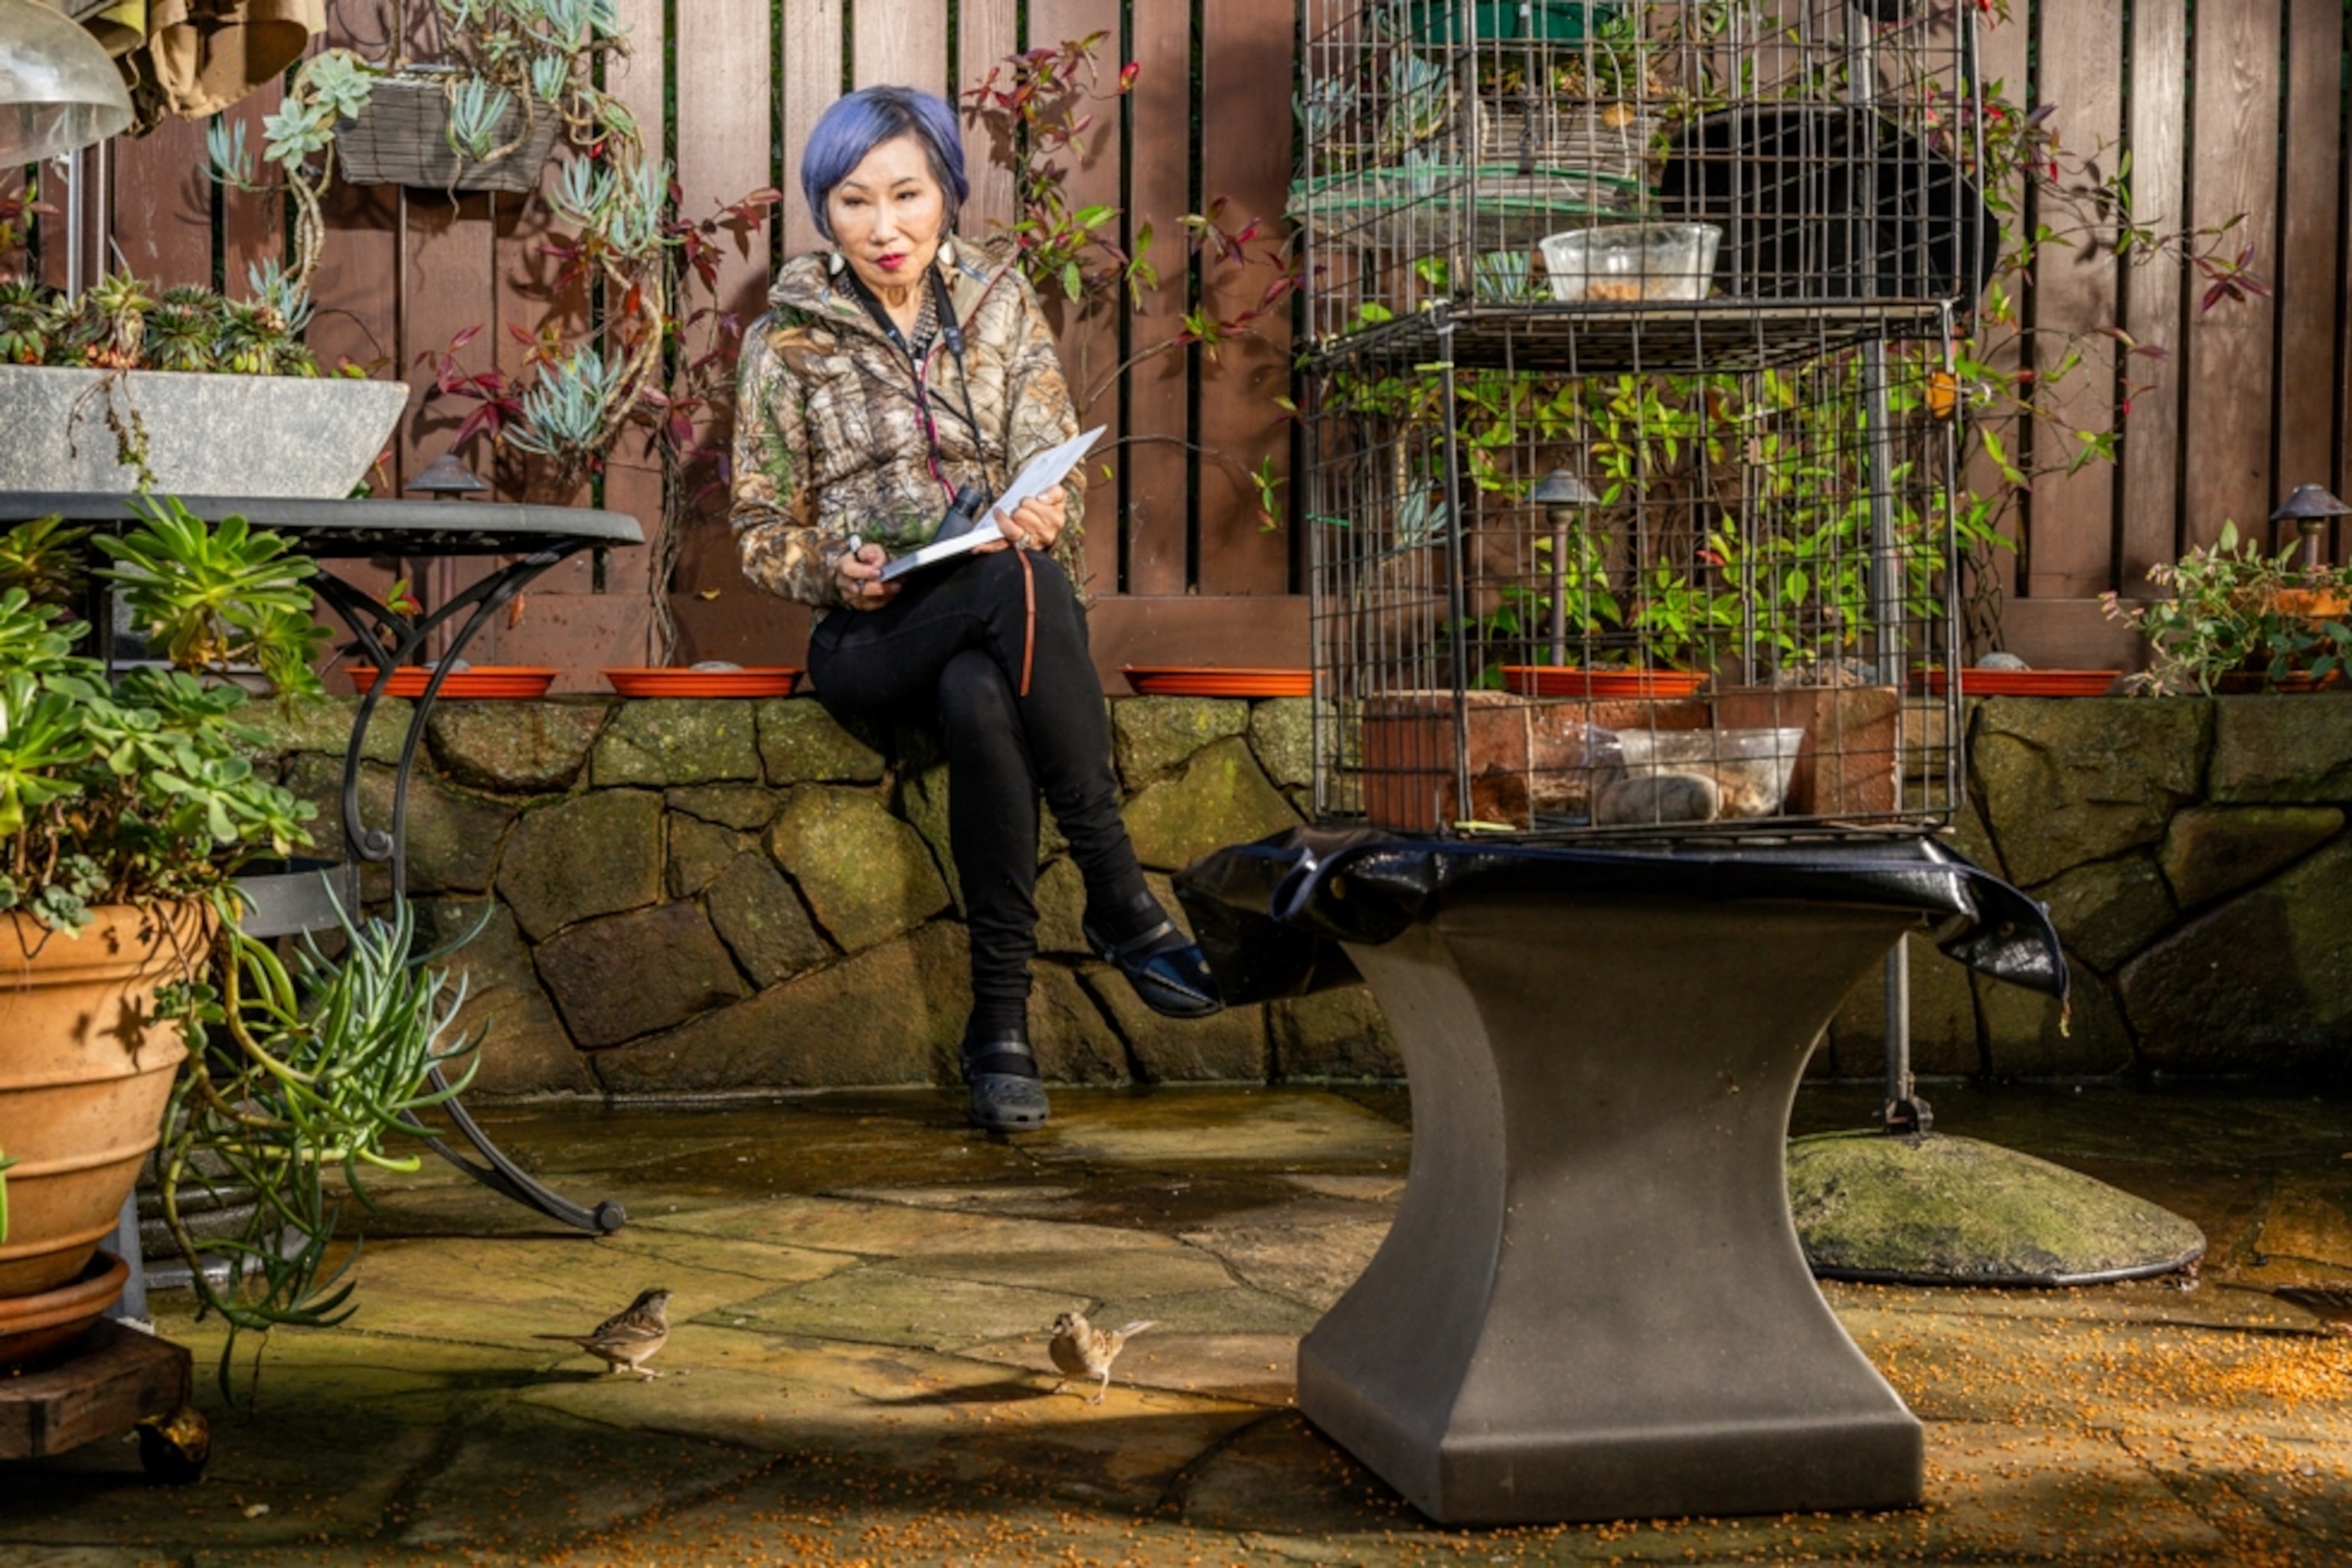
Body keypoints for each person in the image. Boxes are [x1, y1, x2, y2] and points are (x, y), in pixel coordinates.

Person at [730, 85, 1220, 1134]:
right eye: (854, 201)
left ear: (948, 192)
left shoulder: (1002, 304)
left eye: (908, 195)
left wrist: (1044, 505)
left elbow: (1063, 470)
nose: (885, 226)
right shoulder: (783, 340)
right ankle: (1119, 893)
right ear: (825, 209)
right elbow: (759, 528)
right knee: (1003, 594)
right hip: (870, 631)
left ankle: (999, 1030)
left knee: (982, 684)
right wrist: (834, 565)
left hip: (999, 622)